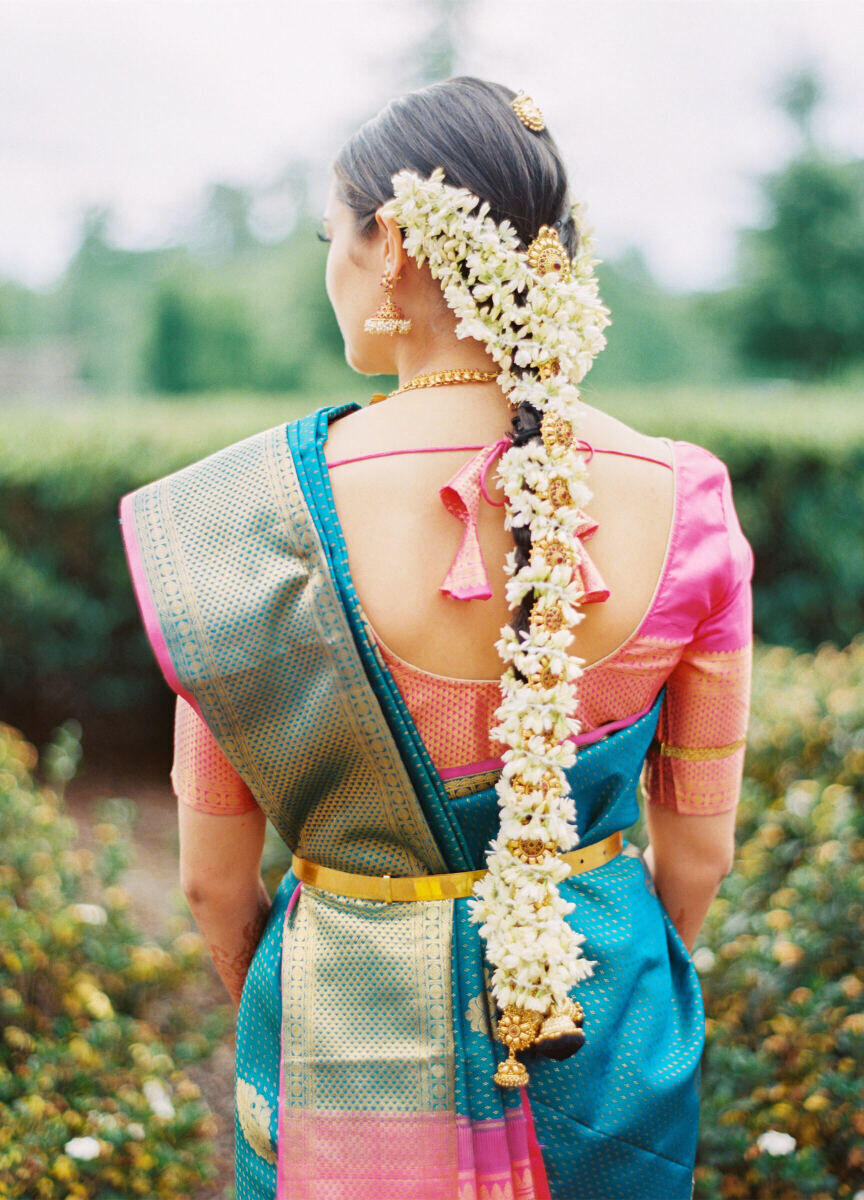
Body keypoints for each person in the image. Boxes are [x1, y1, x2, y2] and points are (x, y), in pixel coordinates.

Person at [120, 77, 753, 1200]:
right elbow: (697, 855)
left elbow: (216, 887)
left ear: (397, 245)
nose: (332, 265)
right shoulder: (686, 492)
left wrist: (277, 1001)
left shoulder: (250, 522)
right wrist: (623, 978)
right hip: (602, 1032)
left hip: (342, 1038)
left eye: (334, 234)